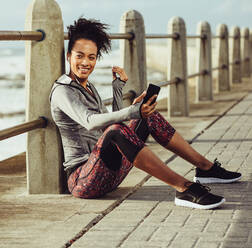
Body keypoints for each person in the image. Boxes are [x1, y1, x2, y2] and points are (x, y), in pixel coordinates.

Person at [49, 18, 241, 210]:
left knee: (147, 116)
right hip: (84, 181)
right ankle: (184, 188)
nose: (85, 62)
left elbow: (110, 128)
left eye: (91, 57)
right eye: (79, 56)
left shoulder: (88, 86)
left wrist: (120, 92)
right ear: (68, 56)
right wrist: (132, 111)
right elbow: (91, 122)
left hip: (108, 173)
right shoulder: (62, 91)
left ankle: (205, 168)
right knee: (120, 126)